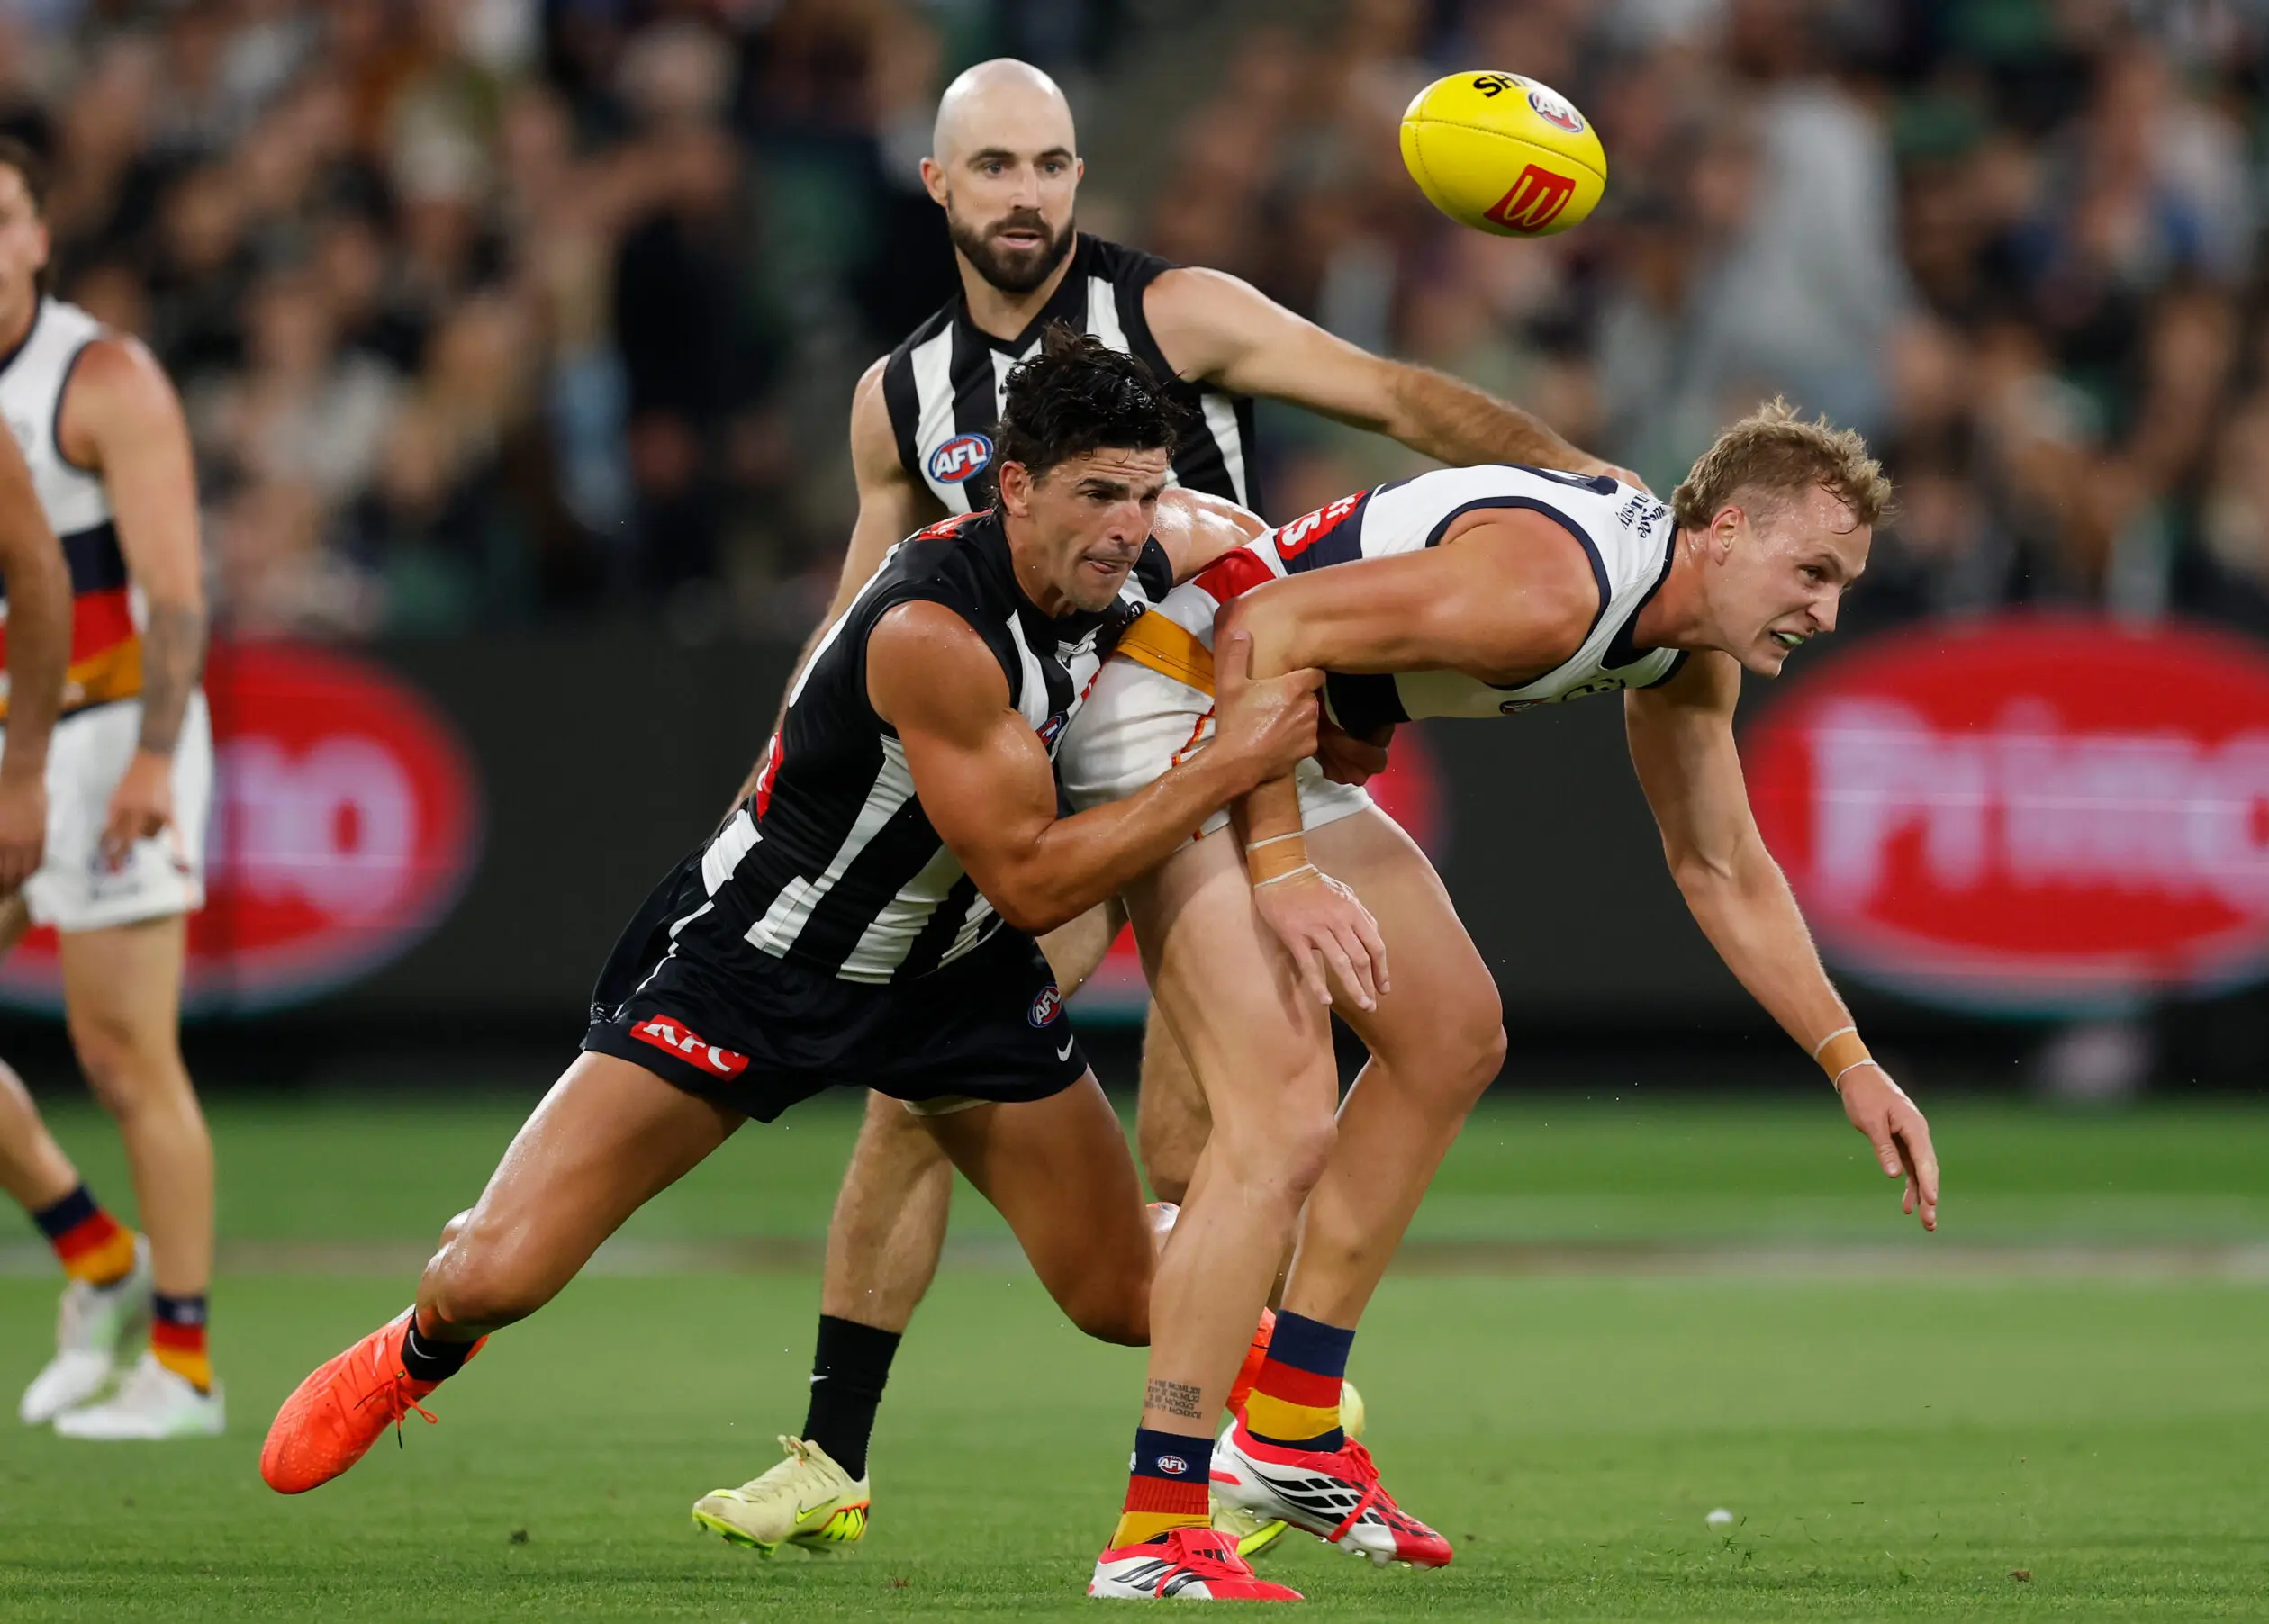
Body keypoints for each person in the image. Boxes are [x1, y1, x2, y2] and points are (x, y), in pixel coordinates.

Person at [692, 55, 1631, 1557]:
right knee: (922, 1087)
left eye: (1053, 165)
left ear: (1080, 179)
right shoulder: (897, 398)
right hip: (1027, 780)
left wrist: (1587, 482)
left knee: (1214, 1150)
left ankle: (1251, 1451)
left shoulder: (1173, 311)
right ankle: (835, 1458)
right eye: (995, 166)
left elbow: (1390, 396)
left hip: (1200, 753)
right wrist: (780, 755)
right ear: (939, 186)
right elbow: (864, 605)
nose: (1027, 194)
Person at [258, 337, 1328, 1603]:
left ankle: (1295, 1382)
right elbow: (1037, 883)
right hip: (756, 965)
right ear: (1014, 487)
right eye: (1099, 495)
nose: (1129, 528)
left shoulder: (1157, 539)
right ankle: (421, 1348)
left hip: (952, 979)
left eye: (1145, 492)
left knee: (1125, 1299)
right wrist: (1221, 766)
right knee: (500, 1272)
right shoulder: (933, 630)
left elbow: (1275, 556)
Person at [1050, 401, 1941, 1583]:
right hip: (1172, 704)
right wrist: (1281, 872)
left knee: (1453, 1035)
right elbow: (1263, 622)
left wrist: (1850, 1060)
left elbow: (1721, 867)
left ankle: (1291, 1429)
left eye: (1843, 582)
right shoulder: (1551, 591)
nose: (1827, 610)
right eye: (1812, 570)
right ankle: (1157, 1530)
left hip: (1265, 720)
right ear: (1722, 533)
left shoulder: (1681, 652)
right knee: (1278, 1121)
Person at [0, 139, 221, 1440]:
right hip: (18, 730)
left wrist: (151, 753)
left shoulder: (100, 377)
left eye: (3, 216)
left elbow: (176, 588)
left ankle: (183, 1366)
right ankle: (94, 1255)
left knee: (124, 1053)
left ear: (37, 236)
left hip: (104, 731)